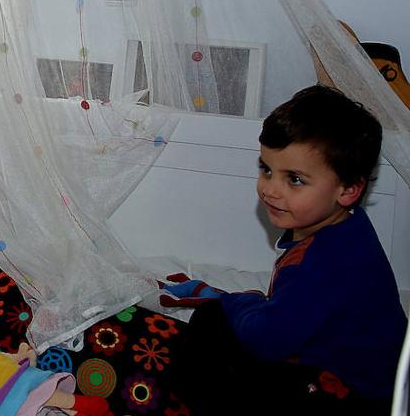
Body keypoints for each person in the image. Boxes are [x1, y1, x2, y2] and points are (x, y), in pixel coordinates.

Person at [169, 85, 407, 415]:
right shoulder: (348, 228)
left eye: (294, 179)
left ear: (349, 189)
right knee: (217, 321)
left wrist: (239, 300)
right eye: (266, 169)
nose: (270, 189)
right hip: (354, 374)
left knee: (215, 320)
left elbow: (268, 340)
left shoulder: (325, 263)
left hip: (352, 396)